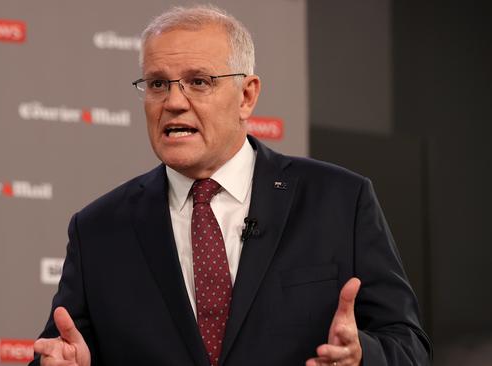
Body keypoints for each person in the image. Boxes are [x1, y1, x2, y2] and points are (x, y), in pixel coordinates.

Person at [30, 5, 431, 366]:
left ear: (246, 96)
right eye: (157, 84)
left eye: (199, 81)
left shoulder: (339, 201)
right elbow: (57, 351)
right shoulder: (99, 229)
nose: (173, 101)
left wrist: (361, 357)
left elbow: (410, 347)